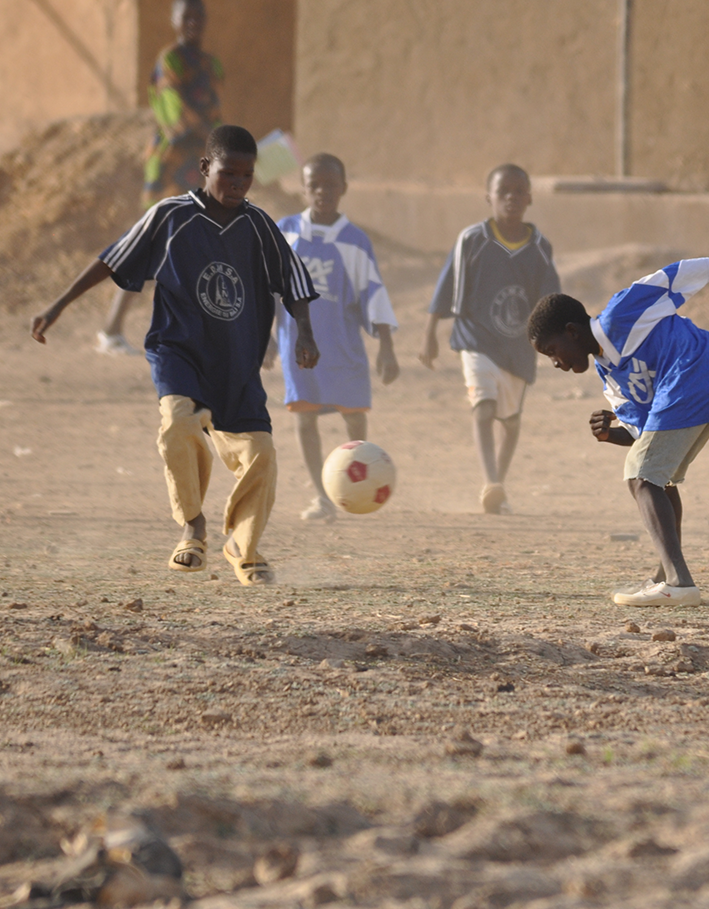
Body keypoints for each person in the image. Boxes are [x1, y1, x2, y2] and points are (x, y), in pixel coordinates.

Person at [31, 126, 319, 586]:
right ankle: (193, 526)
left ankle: (243, 548)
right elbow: (113, 258)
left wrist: (303, 332)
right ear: (206, 168)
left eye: (247, 175)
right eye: (229, 173)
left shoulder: (260, 225)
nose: (239, 184)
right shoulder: (170, 215)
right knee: (179, 423)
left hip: (237, 362)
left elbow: (295, 284)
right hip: (179, 350)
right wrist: (59, 304)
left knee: (261, 452)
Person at [527, 250, 709, 607]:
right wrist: (608, 435)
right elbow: (643, 432)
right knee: (658, 477)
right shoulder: (610, 378)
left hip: (695, 372)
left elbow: (677, 274)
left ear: (572, 332)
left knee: (641, 476)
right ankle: (666, 576)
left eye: (553, 351)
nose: (556, 363)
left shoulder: (621, 312)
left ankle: (679, 583)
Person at [419, 164, 560, 513]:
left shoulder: (540, 247)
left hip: (517, 348)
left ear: (528, 198)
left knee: (510, 423)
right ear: (489, 198)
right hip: (475, 339)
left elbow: (550, 302)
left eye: (518, 191)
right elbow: (445, 286)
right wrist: (430, 336)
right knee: (483, 407)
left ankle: (498, 485)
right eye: (503, 192)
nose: (511, 198)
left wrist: (556, 342)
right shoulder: (472, 240)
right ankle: (491, 482)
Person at [272, 153, 399, 521]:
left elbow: (373, 293)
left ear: (344, 188)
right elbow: (270, 289)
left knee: (355, 415)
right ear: (303, 188)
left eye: (331, 185)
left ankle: (358, 484)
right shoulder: (286, 232)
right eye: (314, 185)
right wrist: (264, 339)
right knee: (305, 417)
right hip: (297, 345)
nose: (322, 191)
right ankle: (322, 496)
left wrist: (387, 347)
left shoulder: (355, 241)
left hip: (343, 345)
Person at [97, 0, 224, 356]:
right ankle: (111, 328)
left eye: (199, 16)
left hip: (200, 166)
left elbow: (216, 114)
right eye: (187, 16)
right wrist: (216, 141)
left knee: (195, 247)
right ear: (175, 20)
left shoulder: (212, 66)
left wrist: (222, 151)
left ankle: (188, 334)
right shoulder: (168, 61)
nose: (193, 23)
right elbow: (177, 120)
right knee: (151, 246)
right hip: (171, 165)